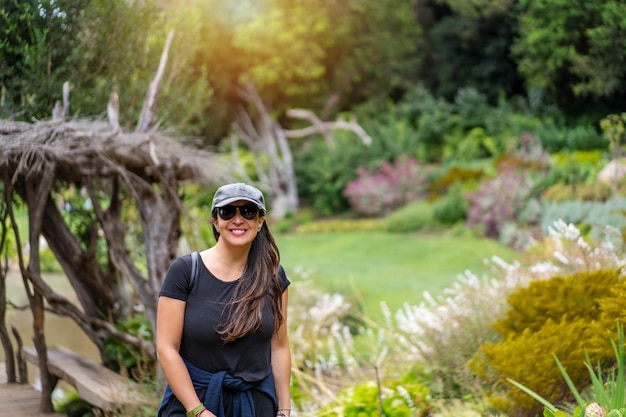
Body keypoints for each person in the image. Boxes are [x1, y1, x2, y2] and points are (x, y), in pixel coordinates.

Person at [156, 183, 291, 417]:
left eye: (248, 211)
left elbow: (279, 347)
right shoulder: (186, 271)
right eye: (228, 212)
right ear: (215, 222)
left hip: (255, 406)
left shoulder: (273, 276)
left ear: (260, 222)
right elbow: (167, 348)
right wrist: (197, 410)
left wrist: (284, 410)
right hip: (193, 403)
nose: (238, 219)